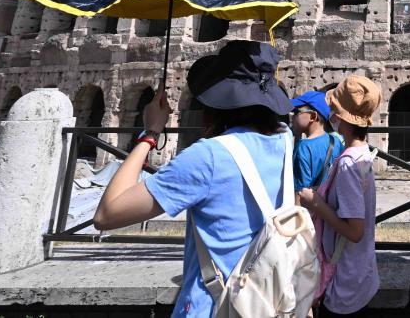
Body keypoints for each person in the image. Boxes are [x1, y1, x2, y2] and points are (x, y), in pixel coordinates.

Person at [93, 40, 293, 318]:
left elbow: (106, 215)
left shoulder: (208, 157)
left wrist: (150, 133)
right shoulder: (284, 138)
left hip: (212, 307)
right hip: (265, 301)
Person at [299, 76, 381, 317]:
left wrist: (316, 203)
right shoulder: (363, 153)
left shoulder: (348, 164)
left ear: (340, 117)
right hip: (360, 272)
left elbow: (355, 231)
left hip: (344, 281)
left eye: (333, 109)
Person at [291, 89, 343, 195]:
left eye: (296, 112)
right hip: (330, 203)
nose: (292, 116)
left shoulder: (303, 148)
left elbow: (300, 193)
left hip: (310, 204)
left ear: (313, 116)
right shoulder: (336, 141)